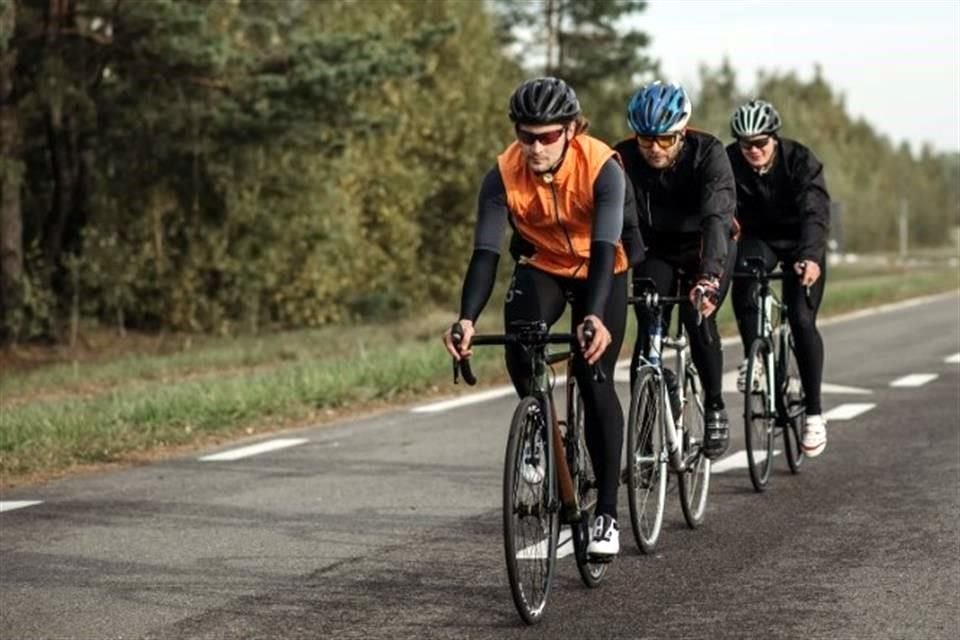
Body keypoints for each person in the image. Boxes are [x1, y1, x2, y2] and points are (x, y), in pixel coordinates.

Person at [442, 77, 633, 557]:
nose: (535, 147)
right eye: (526, 135)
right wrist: (466, 318)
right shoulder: (502, 174)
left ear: (570, 130)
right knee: (520, 339)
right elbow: (485, 253)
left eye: (548, 136)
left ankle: (607, 514)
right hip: (545, 266)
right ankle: (538, 426)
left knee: (593, 376)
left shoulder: (602, 166)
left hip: (601, 267)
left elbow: (607, 243)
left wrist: (594, 316)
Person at [614, 81, 737, 461]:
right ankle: (645, 446)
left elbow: (718, 219)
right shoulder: (622, 157)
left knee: (697, 319)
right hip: (655, 249)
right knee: (647, 332)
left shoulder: (709, 153)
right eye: (646, 140)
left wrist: (710, 278)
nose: (654, 149)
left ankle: (714, 404)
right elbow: (613, 221)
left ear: (682, 133)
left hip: (705, 245)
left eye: (665, 140)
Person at [727, 99, 830, 457]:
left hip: (801, 240)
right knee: (743, 271)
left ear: (775, 138)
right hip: (760, 240)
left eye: (760, 144)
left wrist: (811, 257)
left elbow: (816, 214)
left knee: (801, 319)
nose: (753, 151)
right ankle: (755, 356)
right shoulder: (730, 161)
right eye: (746, 145)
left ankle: (815, 413)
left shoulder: (801, 161)